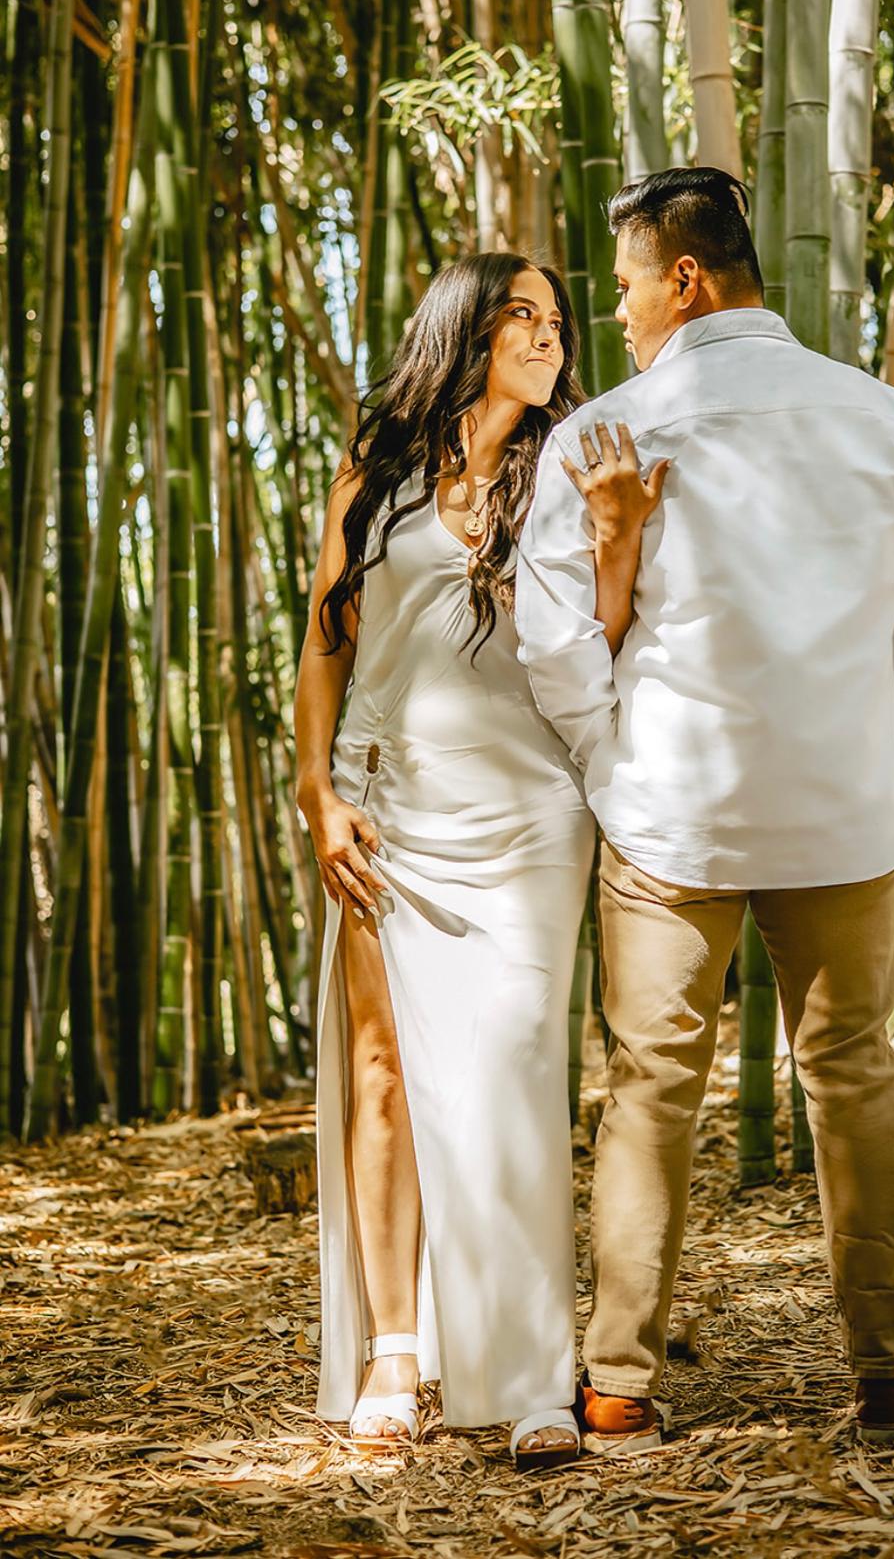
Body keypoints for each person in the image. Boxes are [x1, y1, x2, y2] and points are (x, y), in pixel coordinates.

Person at [515, 166, 894, 1448]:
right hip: (840, 811)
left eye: (624, 288)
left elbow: (554, 641)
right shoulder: (881, 416)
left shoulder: (602, 432)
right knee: (854, 1077)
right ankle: (893, 1371)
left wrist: (611, 766)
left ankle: (617, 1380)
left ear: (685, 279)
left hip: (669, 815)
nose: (616, 315)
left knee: (650, 1086)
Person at [294, 254, 654, 1468]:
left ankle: (532, 1367)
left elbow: (593, 647)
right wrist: (316, 793)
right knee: (384, 1071)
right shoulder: (374, 474)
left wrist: (618, 541)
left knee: (516, 1068)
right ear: (464, 331)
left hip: (529, 812)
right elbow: (327, 643)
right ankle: (397, 1351)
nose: (550, 337)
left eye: (558, 320)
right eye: (522, 316)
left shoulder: (567, 467)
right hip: (386, 800)